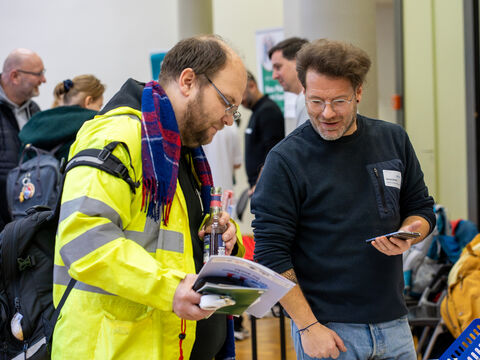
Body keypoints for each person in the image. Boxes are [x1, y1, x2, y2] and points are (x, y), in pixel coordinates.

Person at [51, 35, 247, 360]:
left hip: (171, 342)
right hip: (112, 348)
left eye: (235, 110)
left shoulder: (178, 149)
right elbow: (83, 239)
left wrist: (224, 236)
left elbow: (171, 243)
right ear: (187, 81)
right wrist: (170, 289)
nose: (229, 119)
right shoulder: (118, 136)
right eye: (227, 103)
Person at [252, 39, 436, 360]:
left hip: (394, 323)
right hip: (328, 329)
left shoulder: (392, 139)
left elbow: (420, 208)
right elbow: (270, 254)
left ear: (359, 93)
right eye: (315, 101)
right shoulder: (286, 160)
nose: (327, 113)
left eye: (339, 101)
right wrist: (308, 327)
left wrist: (411, 233)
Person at [0, 48, 46, 230]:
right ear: (15, 76)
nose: (44, 80)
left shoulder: (34, 110)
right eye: (38, 74)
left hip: (25, 218)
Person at [19, 74, 105, 162]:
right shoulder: (93, 123)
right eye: (99, 106)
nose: (100, 110)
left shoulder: (36, 122)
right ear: (88, 101)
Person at [242, 70, 284, 192]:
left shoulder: (268, 111)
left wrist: (259, 184)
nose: (239, 100)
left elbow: (272, 153)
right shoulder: (257, 111)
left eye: (241, 93)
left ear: (252, 86)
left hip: (266, 188)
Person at [268, 37, 309, 128]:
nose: (274, 76)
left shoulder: (308, 100)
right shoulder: (302, 99)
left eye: (278, 67)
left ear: (299, 62)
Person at [202, 121, 242, 194]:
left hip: (204, 188)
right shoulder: (232, 126)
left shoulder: (200, 124)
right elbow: (237, 164)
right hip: (226, 190)